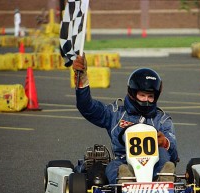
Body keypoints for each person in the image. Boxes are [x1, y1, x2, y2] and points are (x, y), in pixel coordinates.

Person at [72, 54, 179, 184]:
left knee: (164, 157)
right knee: (112, 167)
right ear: (132, 93)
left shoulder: (161, 120)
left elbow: (174, 154)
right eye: (142, 95)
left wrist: (165, 143)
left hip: (155, 163)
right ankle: (125, 181)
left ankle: (163, 178)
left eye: (150, 96)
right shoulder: (116, 113)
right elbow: (87, 107)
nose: (146, 100)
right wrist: (81, 78)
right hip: (124, 160)